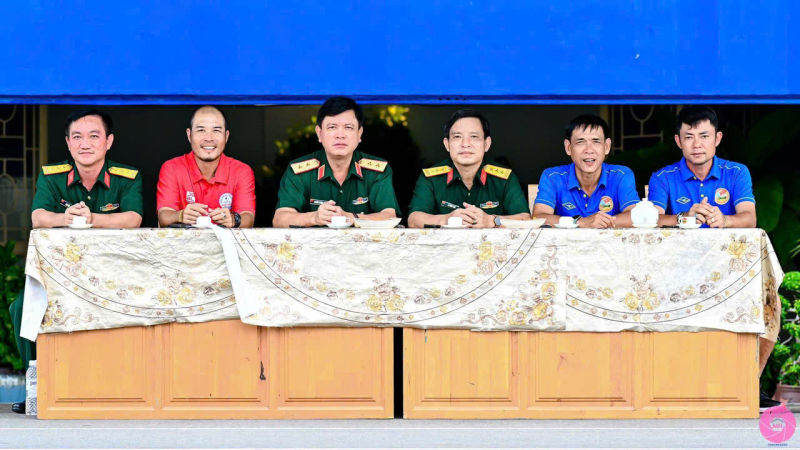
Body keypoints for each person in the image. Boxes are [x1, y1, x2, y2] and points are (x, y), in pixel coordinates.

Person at [11, 107, 143, 414]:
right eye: (77, 137)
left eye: (94, 136)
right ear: (68, 143)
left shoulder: (128, 177)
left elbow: (133, 218)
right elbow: (38, 217)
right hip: (61, 276)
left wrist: (92, 218)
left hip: (114, 275)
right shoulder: (52, 175)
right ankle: (37, 386)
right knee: (21, 307)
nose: (85, 144)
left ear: (109, 141)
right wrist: (65, 217)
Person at [647, 106, 777, 408]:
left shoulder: (736, 172)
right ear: (678, 141)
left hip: (732, 271)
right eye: (689, 137)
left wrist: (725, 219)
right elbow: (651, 220)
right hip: (678, 272)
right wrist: (684, 216)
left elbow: (750, 217)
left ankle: (750, 384)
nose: (697, 144)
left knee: (770, 303)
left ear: (717, 138)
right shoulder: (663, 177)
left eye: (704, 136)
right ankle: (671, 387)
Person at [272, 96, 400, 227]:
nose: (340, 135)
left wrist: (351, 217)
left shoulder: (377, 171)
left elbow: (389, 216)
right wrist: (314, 217)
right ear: (319, 133)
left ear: (359, 133)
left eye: (348, 127)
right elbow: (280, 219)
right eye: (332, 127)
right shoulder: (299, 171)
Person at [407, 109, 529, 228]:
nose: (465, 144)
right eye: (457, 137)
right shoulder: (431, 178)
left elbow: (525, 218)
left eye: (474, 136)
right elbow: (413, 220)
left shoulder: (505, 178)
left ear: (486, 144)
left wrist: (492, 221)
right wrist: (446, 219)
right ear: (447, 144)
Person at [531, 114, 639, 228]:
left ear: (607, 146)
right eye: (580, 142)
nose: (589, 150)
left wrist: (599, 223)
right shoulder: (553, 177)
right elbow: (539, 217)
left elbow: (637, 216)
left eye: (596, 141)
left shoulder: (621, 175)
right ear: (568, 147)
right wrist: (580, 222)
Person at [157, 106, 256, 228]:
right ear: (189, 135)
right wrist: (180, 215)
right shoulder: (172, 168)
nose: (209, 138)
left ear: (226, 136)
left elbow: (248, 217)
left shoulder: (241, 171)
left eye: (216, 130)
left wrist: (233, 219)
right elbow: (164, 216)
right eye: (201, 130)